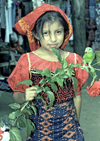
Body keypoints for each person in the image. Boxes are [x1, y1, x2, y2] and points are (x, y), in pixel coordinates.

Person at [8, 4, 88, 141]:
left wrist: (76, 123)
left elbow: (77, 96)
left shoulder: (74, 60)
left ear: (65, 32)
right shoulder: (27, 61)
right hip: (39, 131)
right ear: (35, 34)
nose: (53, 39)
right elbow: (17, 95)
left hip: (69, 130)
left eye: (58, 32)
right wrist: (24, 97)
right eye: (46, 33)